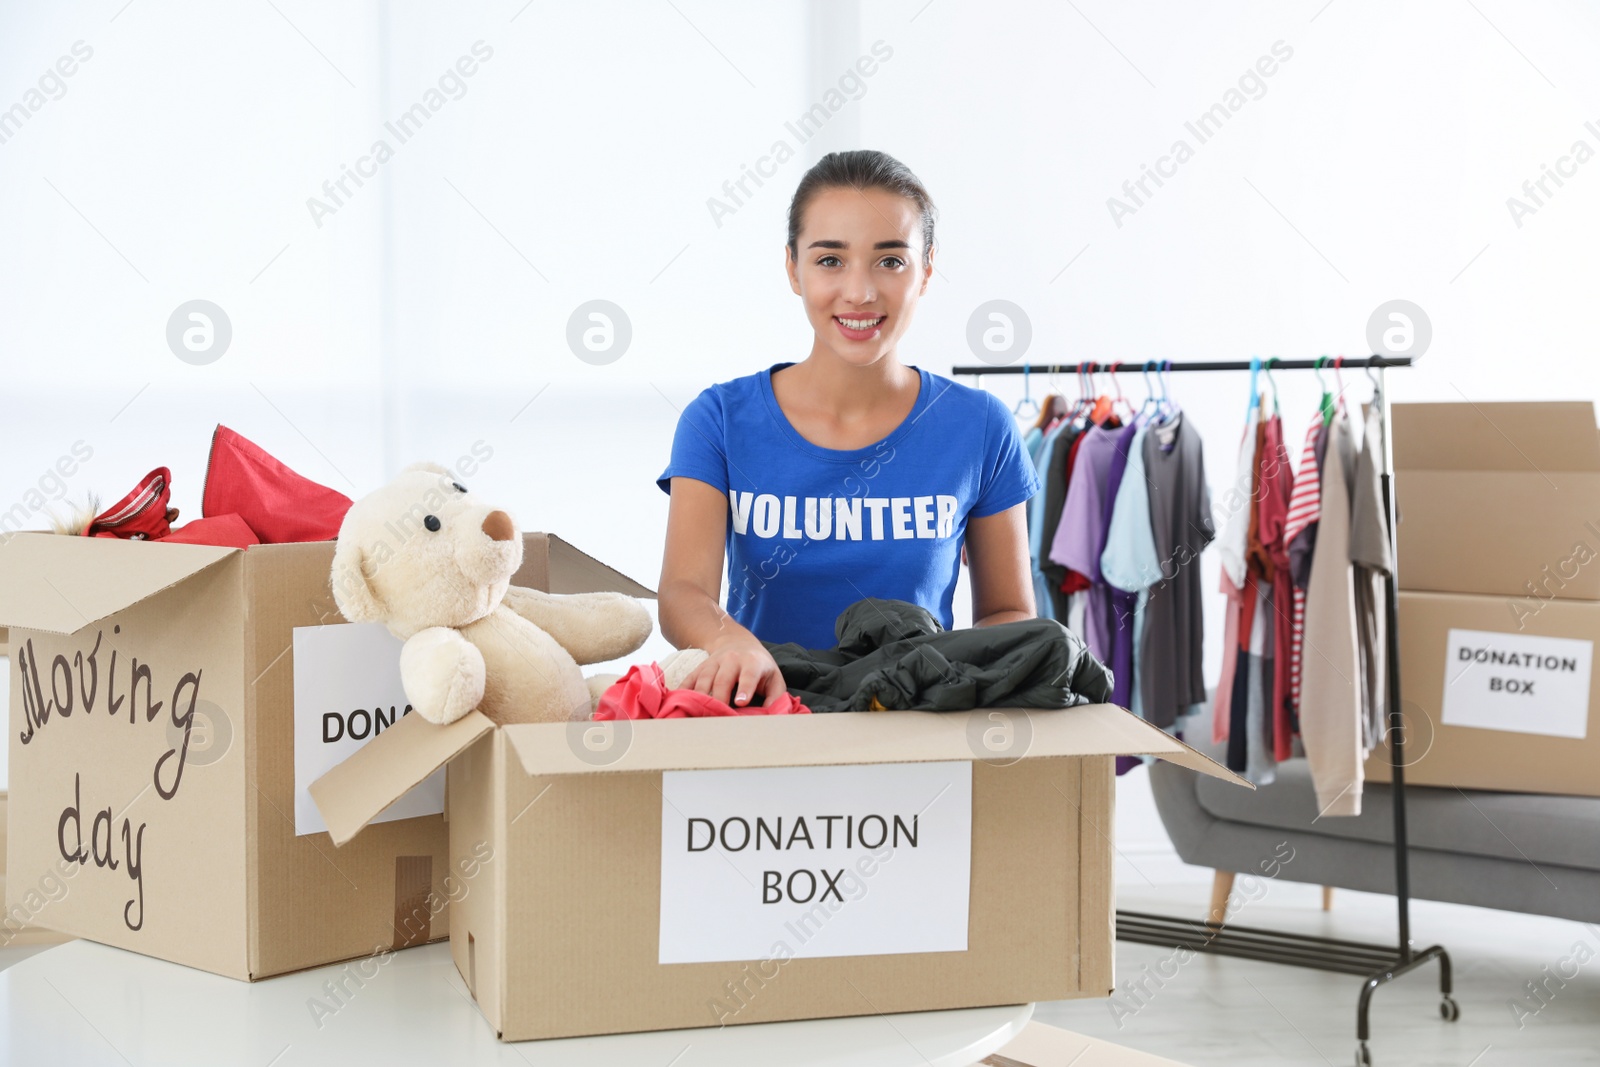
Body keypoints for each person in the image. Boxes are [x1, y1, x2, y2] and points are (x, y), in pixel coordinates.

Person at [656, 150, 1041, 710]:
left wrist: (943, 675)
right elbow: (681, 594)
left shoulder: (979, 426)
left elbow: (1008, 610)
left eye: (890, 261)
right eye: (830, 260)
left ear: (926, 270)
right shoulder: (718, 419)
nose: (859, 292)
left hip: (919, 726)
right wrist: (731, 643)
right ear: (793, 268)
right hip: (767, 722)